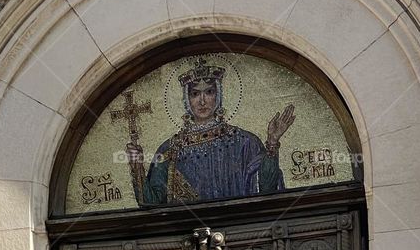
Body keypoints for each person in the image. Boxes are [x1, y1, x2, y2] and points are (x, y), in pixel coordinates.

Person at [125, 60, 296, 206]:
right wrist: (137, 164)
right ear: (186, 99)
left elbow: (267, 191)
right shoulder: (169, 150)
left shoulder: (244, 141)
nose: (202, 101)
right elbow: (151, 203)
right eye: (194, 94)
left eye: (209, 92)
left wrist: (272, 142)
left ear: (218, 95)